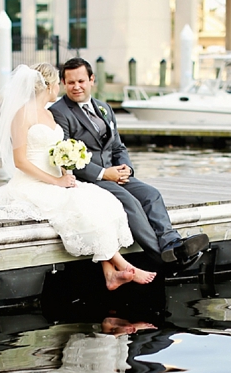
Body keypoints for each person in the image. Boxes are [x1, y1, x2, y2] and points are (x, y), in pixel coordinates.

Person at [0, 63, 156, 291]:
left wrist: (66, 168)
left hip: (56, 179)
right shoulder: (22, 114)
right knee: (78, 206)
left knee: (101, 200)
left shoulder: (48, 114)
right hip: (31, 184)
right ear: (50, 86)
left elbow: (54, 153)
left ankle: (109, 273)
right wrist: (56, 182)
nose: (61, 89)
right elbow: (21, 161)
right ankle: (121, 265)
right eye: (58, 85)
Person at [50, 57, 209, 266]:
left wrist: (127, 169)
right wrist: (103, 173)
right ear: (63, 83)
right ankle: (164, 258)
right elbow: (65, 158)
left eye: (81, 81)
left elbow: (118, 147)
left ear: (91, 79)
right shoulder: (59, 112)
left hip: (117, 174)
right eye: (70, 83)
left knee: (151, 195)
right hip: (89, 179)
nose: (76, 87)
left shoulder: (104, 107)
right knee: (131, 203)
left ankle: (172, 243)